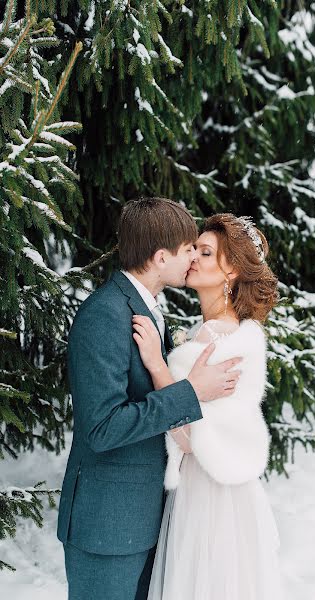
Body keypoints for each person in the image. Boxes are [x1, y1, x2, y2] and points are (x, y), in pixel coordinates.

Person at [57, 198, 243, 600]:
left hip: (147, 520)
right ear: (161, 257)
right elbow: (102, 429)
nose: (194, 257)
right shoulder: (104, 315)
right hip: (107, 525)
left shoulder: (151, 311)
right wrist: (189, 393)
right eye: (188, 249)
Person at [132, 213, 284, 600]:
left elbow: (187, 436)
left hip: (210, 494)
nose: (193, 258)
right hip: (226, 490)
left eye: (205, 252)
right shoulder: (222, 330)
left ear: (231, 270)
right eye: (193, 249)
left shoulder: (218, 337)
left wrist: (155, 364)